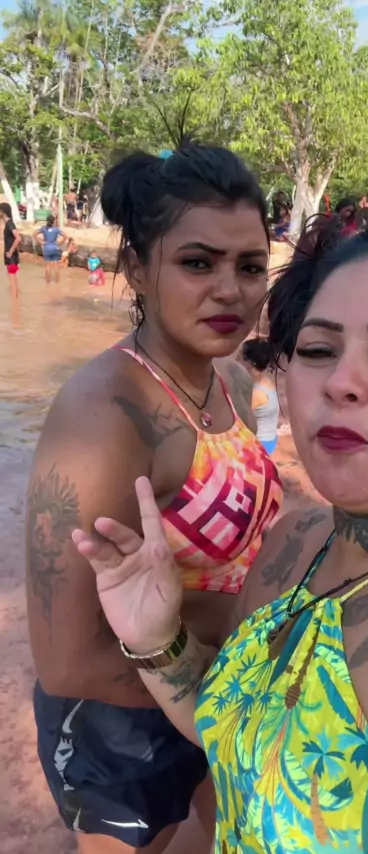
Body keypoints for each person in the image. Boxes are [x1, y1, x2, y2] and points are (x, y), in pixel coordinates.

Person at [73, 216, 368, 852]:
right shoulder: (294, 543)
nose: (339, 382)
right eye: (317, 350)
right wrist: (158, 642)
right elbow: (241, 735)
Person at [26, 141, 283, 854]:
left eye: (250, 266)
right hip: (121, 731)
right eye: (198, 263)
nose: (230, 290)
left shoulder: (230, 383)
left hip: (209, 702)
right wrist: (223, 701)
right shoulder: (104, 414)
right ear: (137, 267)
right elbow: (66, 660)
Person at [242, 337, 280, 455]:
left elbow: (237, 419)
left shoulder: (256, 394)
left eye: (240, 357)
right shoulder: (265, 380)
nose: (236, 360)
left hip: (260, 444)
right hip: (270, 438)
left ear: (250, 363)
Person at [35, 215, 66, 283]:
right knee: (56, 266)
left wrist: (41, 242)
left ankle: (48, 283)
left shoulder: (44, 228)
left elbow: (34, 234)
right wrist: (59, 243)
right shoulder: (56, 229)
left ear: (47, 221)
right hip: (55, 248)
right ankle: (57, 282)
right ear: (53, 221)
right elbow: (65, 236)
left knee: (48, 266)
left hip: (47, 248)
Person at [0, 202, 21, 294]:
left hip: (10, 255)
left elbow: (18, 238)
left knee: (12, 279)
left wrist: (11, 251)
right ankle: (16, 300)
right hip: (12, 255)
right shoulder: (9, 223)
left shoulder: (9, 223)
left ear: (2, 212)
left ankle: (14, 300)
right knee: (12, 278)